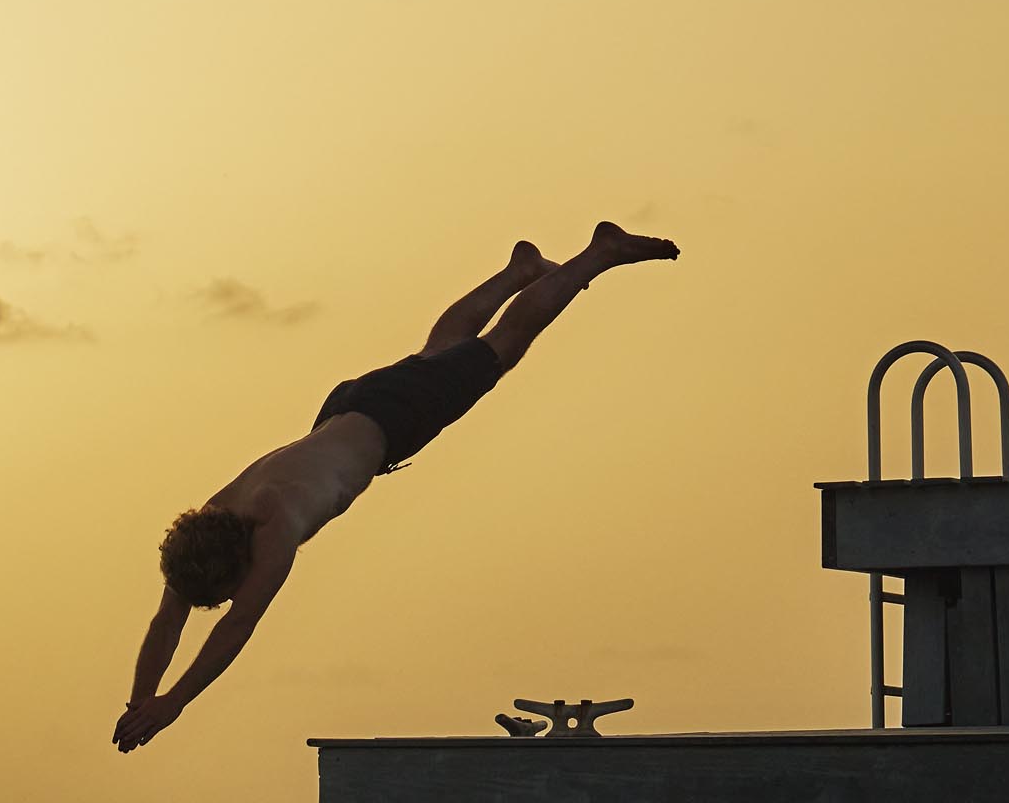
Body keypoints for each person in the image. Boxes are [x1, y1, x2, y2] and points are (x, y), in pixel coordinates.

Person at [114, 221, 679, 751]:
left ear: (238, 562)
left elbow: (239, 624)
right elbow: (169, 618)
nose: (233, 593)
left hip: (392, 420)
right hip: (348, 408)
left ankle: (597, 255)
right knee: (439, 353)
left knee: (504, 345)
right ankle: (520, 271)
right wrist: (142, 702)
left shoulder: (275, 523)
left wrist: (176, 703)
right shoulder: (216, 515)